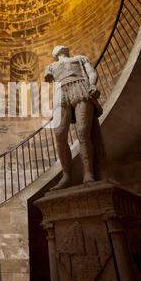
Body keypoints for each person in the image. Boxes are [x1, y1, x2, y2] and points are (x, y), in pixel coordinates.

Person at [45, 45, 103, 189]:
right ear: (54, 54)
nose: (59, 48)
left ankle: (88, 173)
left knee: (83, 132)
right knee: (59, 134)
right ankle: (66, 176)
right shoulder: (51, 66)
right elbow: (47, 78)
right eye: (56, 48)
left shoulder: (79, 58)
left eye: (61, 47)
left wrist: (93, 85)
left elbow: (91, 72)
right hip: (60, 93)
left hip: (80, 86)